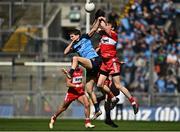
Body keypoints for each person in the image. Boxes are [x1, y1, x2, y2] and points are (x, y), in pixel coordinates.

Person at [63, 18, 118, 120]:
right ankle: (98, 109)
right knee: (89, 90)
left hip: (95, 60)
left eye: (72, 36)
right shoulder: (74, 46)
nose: (71, 38)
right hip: (89, 66)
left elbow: (94, 28)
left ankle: (71, 73)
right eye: (70, 37)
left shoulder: (85, 37)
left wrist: (98, 19)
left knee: (75, 58)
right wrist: (72, 43)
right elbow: (65, 52)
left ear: (78, 35)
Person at [96, 9, 139, 115]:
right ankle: (114, 98)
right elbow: (96, 28)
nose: (106, 25)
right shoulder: (103, 35)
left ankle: (133, 102)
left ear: (113, 28)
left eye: (108, 25)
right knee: (99, 84)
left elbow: (103, 26)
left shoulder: (113, 34)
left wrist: (101, 18)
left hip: (112, 62)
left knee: (118, 85)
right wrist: (98, 19)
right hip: (104, 63)